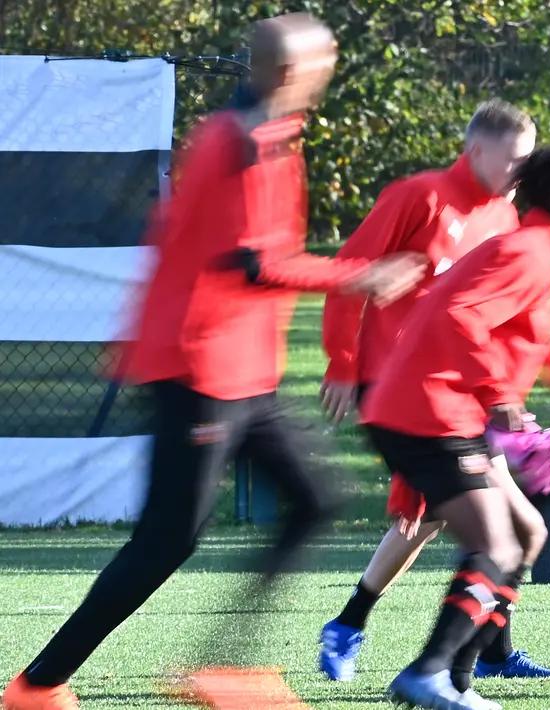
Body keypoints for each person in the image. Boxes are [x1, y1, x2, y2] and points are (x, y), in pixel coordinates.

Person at [1, 13, 427, 710]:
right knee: (167, 541)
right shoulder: (242, 142)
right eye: (325, 61)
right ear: (292, 72)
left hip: (241, 371)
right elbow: (254, 262)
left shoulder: (255, 133)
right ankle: (36, 685)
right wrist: (360, 274)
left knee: (317, 499)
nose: (329, 72)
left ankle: (223, 668)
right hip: (200, 371)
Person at [314, 99, 550, 684]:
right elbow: (350, 269)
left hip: (456, 394)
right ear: (476, 151)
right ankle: (381, 636)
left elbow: (503, 319)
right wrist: (343, 360)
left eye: (530, 161)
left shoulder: (507, 219)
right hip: (404, 390)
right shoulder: (419, 195)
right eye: (515, 160)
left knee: (486, 525)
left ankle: (474, 651)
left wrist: (511, 386)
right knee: (465, 523)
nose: (523, 174)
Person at [359, 142, 550, 710]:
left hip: (435, 409)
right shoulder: (526, 253)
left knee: (522, 536)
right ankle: (429, 673)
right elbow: (458, 315)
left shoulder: (534, 253)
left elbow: (523, 334)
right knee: (496, 544)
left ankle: (458, 678)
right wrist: (499, 395)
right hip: (427, 410)